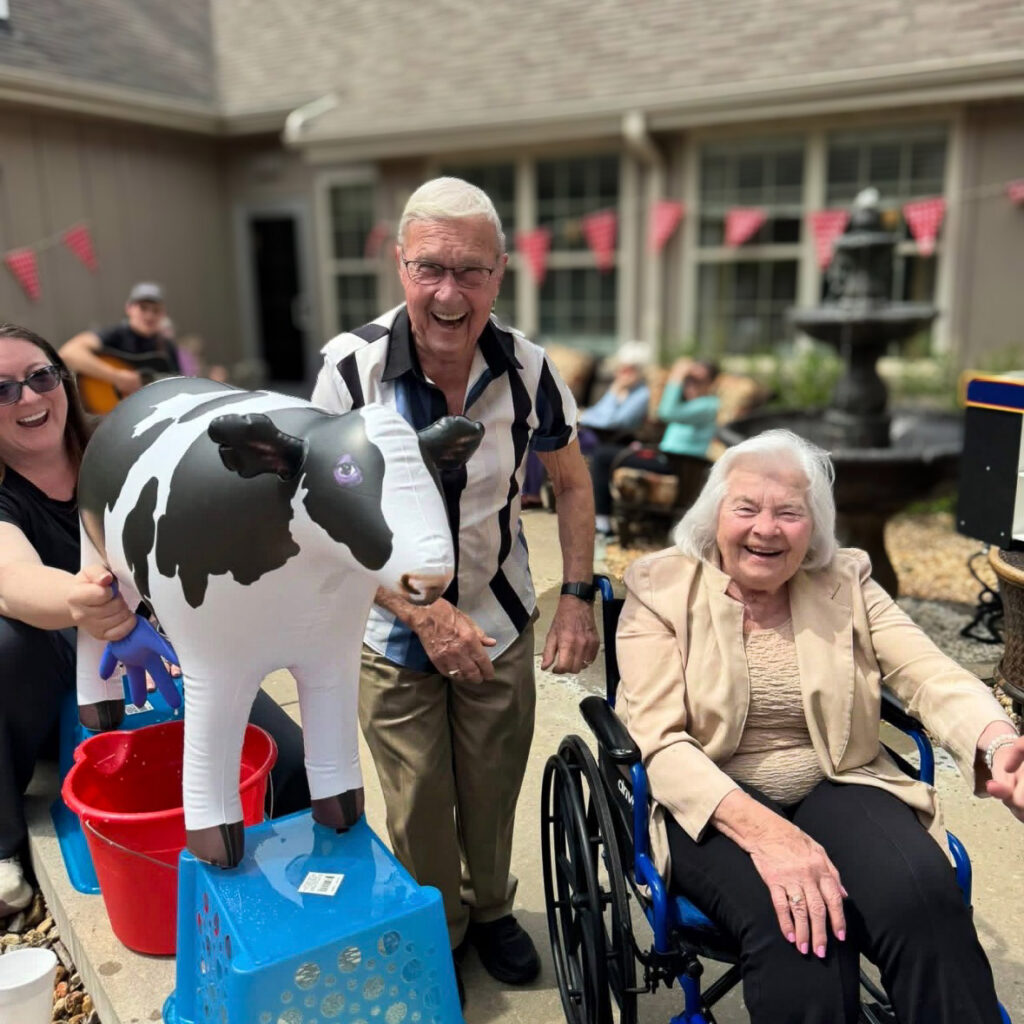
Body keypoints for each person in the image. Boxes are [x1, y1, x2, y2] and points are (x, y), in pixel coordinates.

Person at [614, 428, 1023, 1024]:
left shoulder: (846, 582)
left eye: (789, 512)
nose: (766, 528)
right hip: (710, 798)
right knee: (798, 932)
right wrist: (773, 838)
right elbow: (658, 740)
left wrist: (999, 741)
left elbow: (929, 674)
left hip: (838, 779)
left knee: (922, 898)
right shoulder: (661, 589)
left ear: (814, 527)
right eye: (746, 508)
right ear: (714, 515)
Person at [311, 177, 600, 999]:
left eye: (470, 271)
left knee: (492, 785)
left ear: (500, 274)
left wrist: (576, 595)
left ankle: (495, 909)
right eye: (429, 268)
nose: (448, 291)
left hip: (499, 620)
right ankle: (436, 929)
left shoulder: (530, 368)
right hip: (388, 631)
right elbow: (324, 518)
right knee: (417, 804)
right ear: (400, 267)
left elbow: (573, 484)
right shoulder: (349, 369)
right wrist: (419, 611)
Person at [0, 323, 308, 915]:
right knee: (3, 645)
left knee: (286, 762)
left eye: (40, 377)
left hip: (162, 644)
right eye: (4, 390)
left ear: (62, 380)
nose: (31, 399)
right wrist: (84, 601)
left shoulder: (122, 457)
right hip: (52, 664)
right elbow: (12, 581)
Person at [590, 356, 718, 535]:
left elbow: (666, 412)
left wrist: (676, 376)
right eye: (688, 379)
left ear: (711, 383)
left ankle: (602, 522)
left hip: (679, 465)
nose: (690, 384)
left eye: (697, 380)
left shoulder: (709, 405)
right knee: (607, 451)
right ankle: (603, 515)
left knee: (604, 456)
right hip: (666, 458)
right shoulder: (690, 404)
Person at [59, 282, 181, 402]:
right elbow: (69, 353)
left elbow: (178, 385)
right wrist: (118, 377)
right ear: (129, 308)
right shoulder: (115, 334)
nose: (149, 316)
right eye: (143, 308)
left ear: (163, 313)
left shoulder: (166, 346)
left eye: (156, 310)